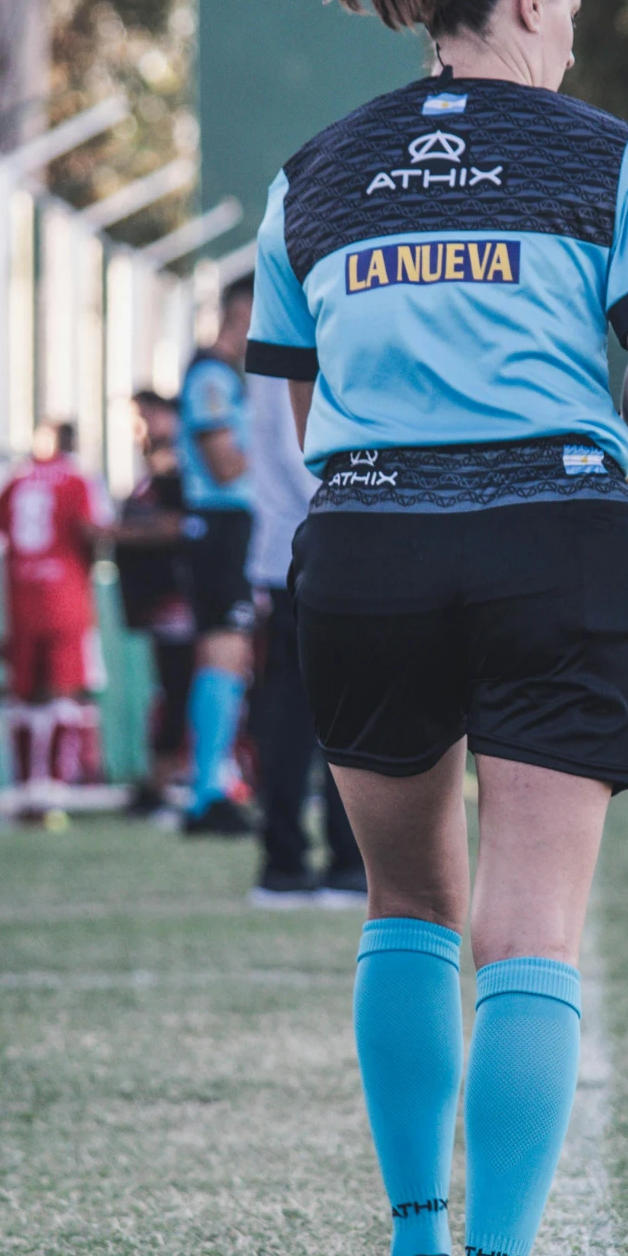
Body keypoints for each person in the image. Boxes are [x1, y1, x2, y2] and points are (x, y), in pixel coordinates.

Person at [244, 0, 628, 1256]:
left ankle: (417, 1255)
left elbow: (309, 401)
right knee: (531, 929)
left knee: (407, 906)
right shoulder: (610, 155)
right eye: (570, 8)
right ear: (528, 1)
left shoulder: (310, 172)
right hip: (551, 541)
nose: (573, 38)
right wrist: (618, 434)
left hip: (368, 543)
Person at [246, 367, 365, 905]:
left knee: (294, 716)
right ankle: (335, 861)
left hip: (291, 556)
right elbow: (312, 462)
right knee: (338, 715)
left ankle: (289, 861)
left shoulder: (272, 355)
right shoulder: (304, 348)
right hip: (325, 553)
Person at [0, 420, 113, 817]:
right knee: (65, 691)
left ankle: (28, 784)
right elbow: (94, 531)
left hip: (21, 597)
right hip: (67, 598)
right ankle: (56, 785)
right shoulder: (79, 479)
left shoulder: (17, 479)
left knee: (24, 693)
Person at [178, 275, 255, 835]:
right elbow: (224, 464)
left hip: (232, 528)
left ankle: (213, 783)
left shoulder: (228, 377)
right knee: (222, 651)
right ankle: (207, 791)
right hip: (221, 526)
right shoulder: (210, 375)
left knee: (226, 655)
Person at [113, 392, 195, 813]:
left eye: (144, 417)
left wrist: (114, 534)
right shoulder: (152, 471)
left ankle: (173, 779)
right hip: (158, 602)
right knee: (169, 689)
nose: (137, 427)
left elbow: (181, 524)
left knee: (181, 688)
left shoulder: (179, 466)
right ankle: (162, 778)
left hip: (182, 600)